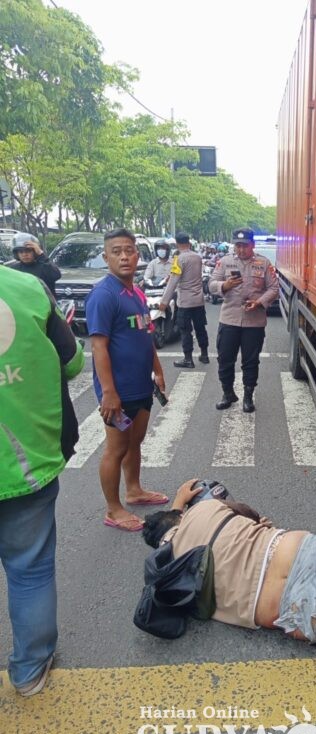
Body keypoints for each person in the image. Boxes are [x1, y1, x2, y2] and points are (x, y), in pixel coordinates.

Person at [142, 480, 316, 646]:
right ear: (179, 516)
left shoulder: (170, 577)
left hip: (297, 605)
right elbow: (249, 513)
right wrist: (179, 503)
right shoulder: (202, 509)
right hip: (303, 549)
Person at [0, 265, 84, 696]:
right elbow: (73, 362)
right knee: (29, 570)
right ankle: (30, 670)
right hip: (23, 466)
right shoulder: (26, 287)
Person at [85, 228, 168, 533]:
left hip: (141, 385)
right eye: (116, 251)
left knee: (135, 442)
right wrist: (108, 392)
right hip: (118, 390)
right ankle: (113, 508)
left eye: (129, 250)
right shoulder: (103, 295)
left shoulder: (137, 292)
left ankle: (134, 490)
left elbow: (146, 335)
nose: (124, 257)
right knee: (116, 448)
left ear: (137, 255)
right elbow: (99, 348)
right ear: (105, 257)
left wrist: (158, 370)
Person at [209, 227, 279, 412]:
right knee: (225, 358)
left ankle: (248, 396)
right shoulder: (225, 262)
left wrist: (259, 302)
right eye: (238, 245)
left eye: (245, 245)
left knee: (250, 361)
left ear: (252, 245)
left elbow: (274, 288)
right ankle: (228, 393)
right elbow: (211, 284)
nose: (241, 249)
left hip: (254, 322)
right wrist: (224, 285)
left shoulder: (263, 263)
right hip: (229, 319)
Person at [159, 231, 209, 367]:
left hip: (185, 302)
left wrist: (164, 302)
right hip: (198, 300)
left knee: (185, 330)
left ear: (177, 244)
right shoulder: (198, 257)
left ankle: (188, 359)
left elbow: (173, 282)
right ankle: (204, 355)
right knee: (200, 328)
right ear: (189, 242)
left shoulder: (179, 259)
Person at [8, 232, 61, 297]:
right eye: (21, 252)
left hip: (44, 302)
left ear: (35, 251)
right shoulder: (13, 269)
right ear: (16, 254)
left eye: (28, 251)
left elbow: (56, 275)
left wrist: (41, 254)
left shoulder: (44, 266)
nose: (24, 254)